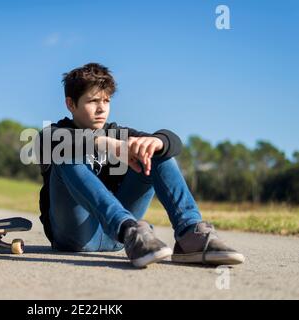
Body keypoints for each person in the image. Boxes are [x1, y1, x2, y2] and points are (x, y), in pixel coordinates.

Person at [35, 62, 245, 268]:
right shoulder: (55, 133)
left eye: (106, 101)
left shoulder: (119, 133)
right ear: (71, 104)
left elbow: (173, 141)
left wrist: (158, 141)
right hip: (75, 237)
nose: (101, 109)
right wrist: (106, 143)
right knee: (66, 154)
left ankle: (190, 235)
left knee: (154, 151)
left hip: (120, 241)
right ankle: (129, 229)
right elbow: (48, 141)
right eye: (93, 101)